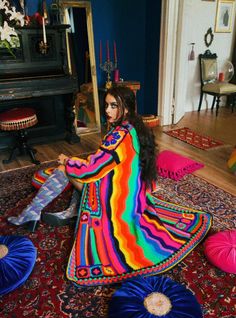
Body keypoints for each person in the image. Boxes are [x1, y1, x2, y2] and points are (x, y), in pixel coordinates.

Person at [8, 87, 212, 287]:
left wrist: (68, 161)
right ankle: (69, 210)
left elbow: (91, 171)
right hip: (131, 194)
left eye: (114, 106)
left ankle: (32, 213)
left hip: (115, 200)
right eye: (107, 105)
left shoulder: (117, 136)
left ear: (127, 108)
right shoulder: (136, 128)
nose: (107, 110)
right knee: (79, 165)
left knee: (64, 169)